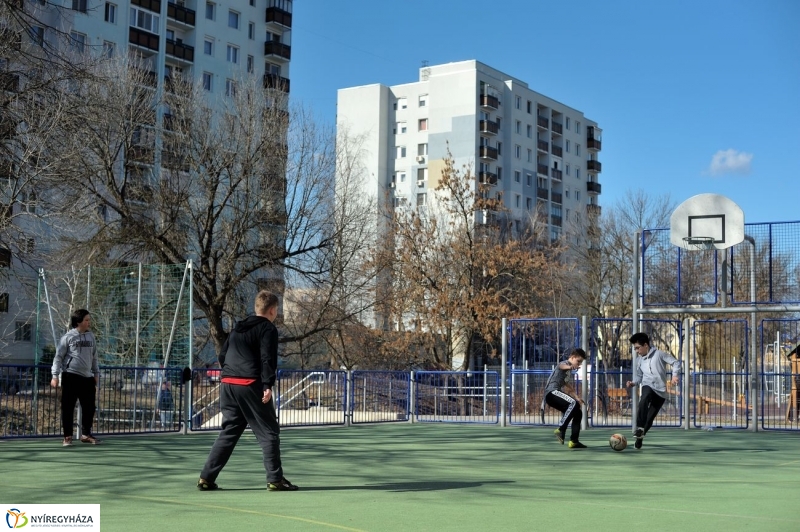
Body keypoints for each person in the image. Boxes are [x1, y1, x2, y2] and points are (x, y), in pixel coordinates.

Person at [197, 291, 298, 491]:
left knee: (229, 431)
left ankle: (206, 478)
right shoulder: (267, 328)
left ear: (256, 308)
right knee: (268, 431)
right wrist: (267, 385)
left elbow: (223, 355)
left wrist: (231, 372)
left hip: (228, 383)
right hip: (250, 383)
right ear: (272, 310)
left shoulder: (238, 328)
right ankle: (275, 480)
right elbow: (268, 358)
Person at [50, 309, 101, 446]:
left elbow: (94, 356)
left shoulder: (91, 336)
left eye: (89, 320)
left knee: (89, 407)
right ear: (78, 322)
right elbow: (58, 357)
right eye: (86, 320)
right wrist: (55, 376)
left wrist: (96, 373)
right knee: (68, 407)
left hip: (87, 377)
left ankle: (86, 434)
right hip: (70, 376)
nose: (89, 322)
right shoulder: (68, 337)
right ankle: (67, 436)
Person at [627, 332, 681, 450]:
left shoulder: (659, 354)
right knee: (644, 398)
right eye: (635, 348)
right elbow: (639, 376)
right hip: (648, 385)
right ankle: (639, 428)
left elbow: (675, 362)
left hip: (661, 391)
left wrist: (674, 375)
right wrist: (633, 383)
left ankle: (640, 438)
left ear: (645, 345)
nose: (636, 351)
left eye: (638, 348)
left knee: (650, 418)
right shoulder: (639, 361)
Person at [543, 348, 587, 449]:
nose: (579, 364)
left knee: (578, 412)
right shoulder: (565, 363)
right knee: (573, 404)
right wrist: (570, 367)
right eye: (578, 361)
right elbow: (560, 366)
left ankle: (574, 441)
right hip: (552, 393)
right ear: (572, 357)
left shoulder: (568, 371)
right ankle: (561, 429)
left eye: (581, 362)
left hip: (554, 395)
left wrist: (577, 397)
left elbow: (567, 385)